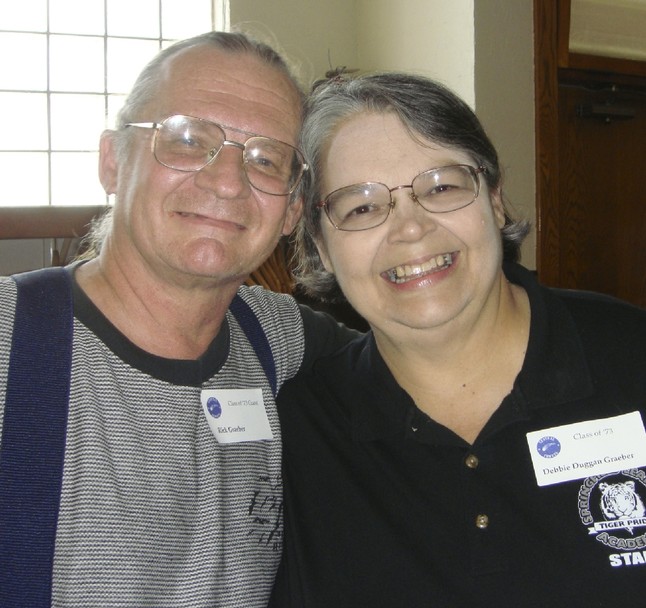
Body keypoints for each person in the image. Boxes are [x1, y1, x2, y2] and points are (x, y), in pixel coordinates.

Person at [0, 31, 357, 607]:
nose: (227, 181)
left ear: (292, 210)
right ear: (113, 162)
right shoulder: (9, 338)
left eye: (266, 159)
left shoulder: (281, 339)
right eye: (189, 139)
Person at [271, 72, 646, 607]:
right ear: (322, 248)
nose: (410, 228)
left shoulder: (632, 357)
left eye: (441, 186)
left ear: (494, 199)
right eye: (362, 207)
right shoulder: (301, 433)